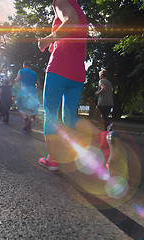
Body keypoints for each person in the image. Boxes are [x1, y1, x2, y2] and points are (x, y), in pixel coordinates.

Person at [37, 0, 117, 170]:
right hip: (77, 72)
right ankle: (104, 138)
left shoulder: (60, 1)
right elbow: (83, 47)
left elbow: (70, 23)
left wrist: (47, 40)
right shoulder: (80, 11)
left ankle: (52, 159)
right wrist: (56, 44)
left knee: (50, 115)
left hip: (58, 69)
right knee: (69, 118)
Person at [15, 60, 42, 132]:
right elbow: (39, 85)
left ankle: (26, 119)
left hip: (24, 92)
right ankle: (27, 127)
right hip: (32, 94)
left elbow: (17, 80)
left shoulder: (21, 71)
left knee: (19, 107)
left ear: (24, 66)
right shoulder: (34, 74)